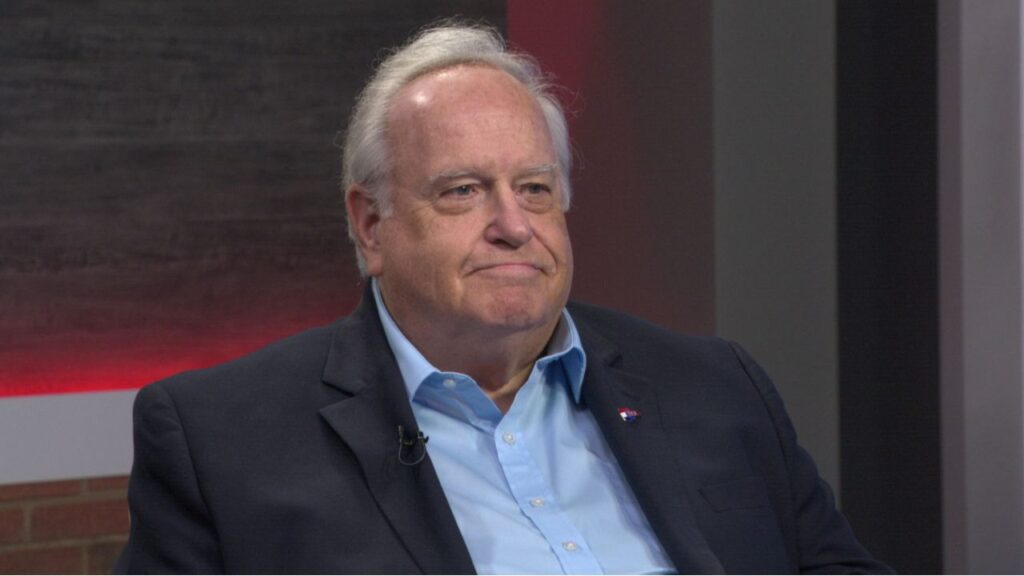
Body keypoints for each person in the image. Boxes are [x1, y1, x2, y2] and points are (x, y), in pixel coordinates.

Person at [115, 23, 890, 574]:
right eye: (463, 191)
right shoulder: (220, 442)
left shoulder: (718, 387)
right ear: (372, 224)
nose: (514, 226)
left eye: (536, 189)